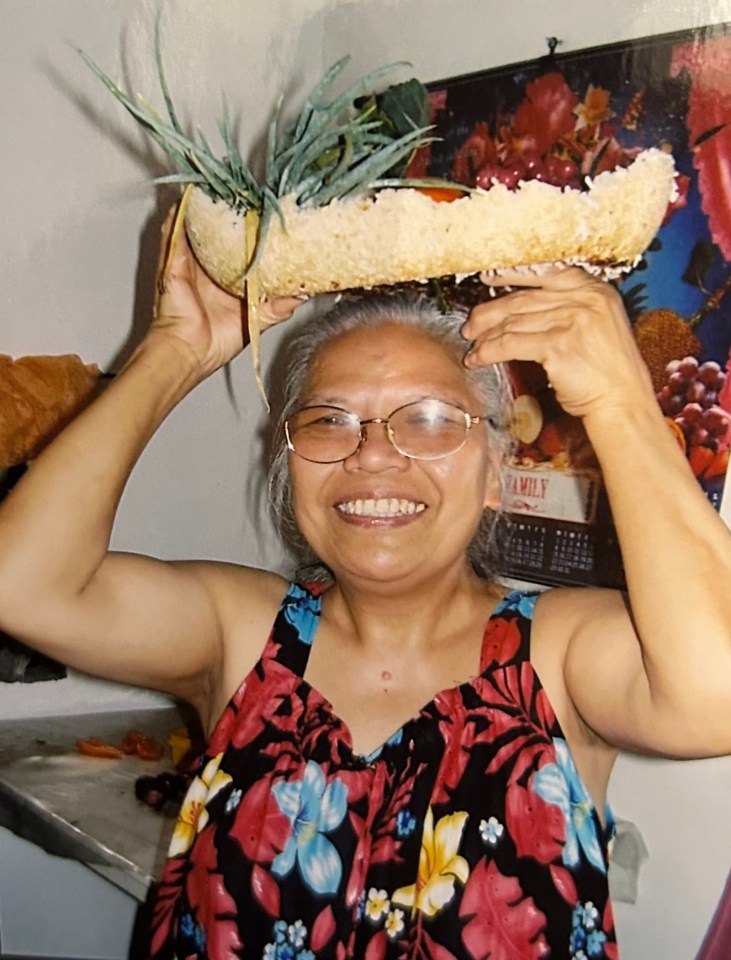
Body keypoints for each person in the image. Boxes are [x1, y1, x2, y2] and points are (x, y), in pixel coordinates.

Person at [0, 211, 730, 960]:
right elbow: (21, 585)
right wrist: (176, 348)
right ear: (289, 471)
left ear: (493, 474)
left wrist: (619, 403)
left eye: (429, 418)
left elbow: (717, 700)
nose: (373, 455)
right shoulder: (242, 633)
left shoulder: (561, 655)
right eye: (329, 421)